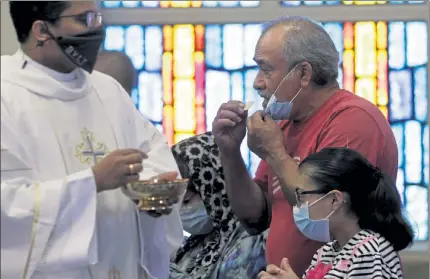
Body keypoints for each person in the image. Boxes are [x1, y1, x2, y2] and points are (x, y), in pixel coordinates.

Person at [1, 2, 183, 279]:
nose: (98, 28)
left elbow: (152, 156)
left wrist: (153, 194)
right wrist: (92, 182)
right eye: (85, 18)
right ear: (41, 30)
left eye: (99, 17)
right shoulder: (6, 96)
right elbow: (8, 206)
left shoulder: (106, 89)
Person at [212, 16, 398, 276]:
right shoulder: (286, 125)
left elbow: (324, 216)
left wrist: (275, 153)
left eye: (266, 70)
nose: (257, 83)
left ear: (303, 74)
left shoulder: (352, 120)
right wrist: (230, 151)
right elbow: (255, 218)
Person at [257, 147, 413, 279]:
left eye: (302, 195)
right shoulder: (327, 252)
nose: (298, 204)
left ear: (334, 200)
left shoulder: (369, 253)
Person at [168, 132, 267, 279]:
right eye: (175, 203)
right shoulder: (195, 243)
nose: (180, 211)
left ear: (216, 190)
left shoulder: (252, 242)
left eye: (187, 201)